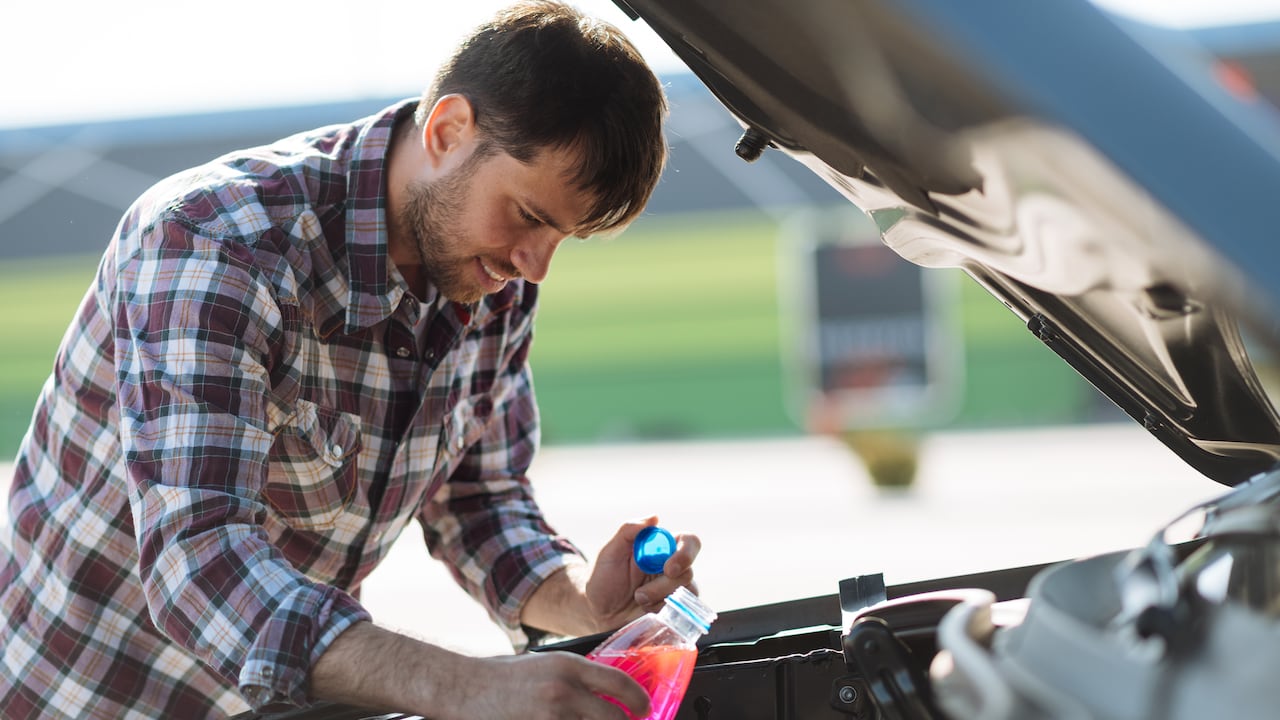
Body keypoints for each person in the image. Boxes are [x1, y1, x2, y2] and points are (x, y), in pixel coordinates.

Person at [0, 2, 701, 717]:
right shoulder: (217, 241)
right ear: (449, 131)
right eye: (529, 215)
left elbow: (479, 502)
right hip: (73, 696)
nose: (536, 266)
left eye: (563, 238)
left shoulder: (493, 278)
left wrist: (584, 602)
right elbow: (201, 562)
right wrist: (470, 686)